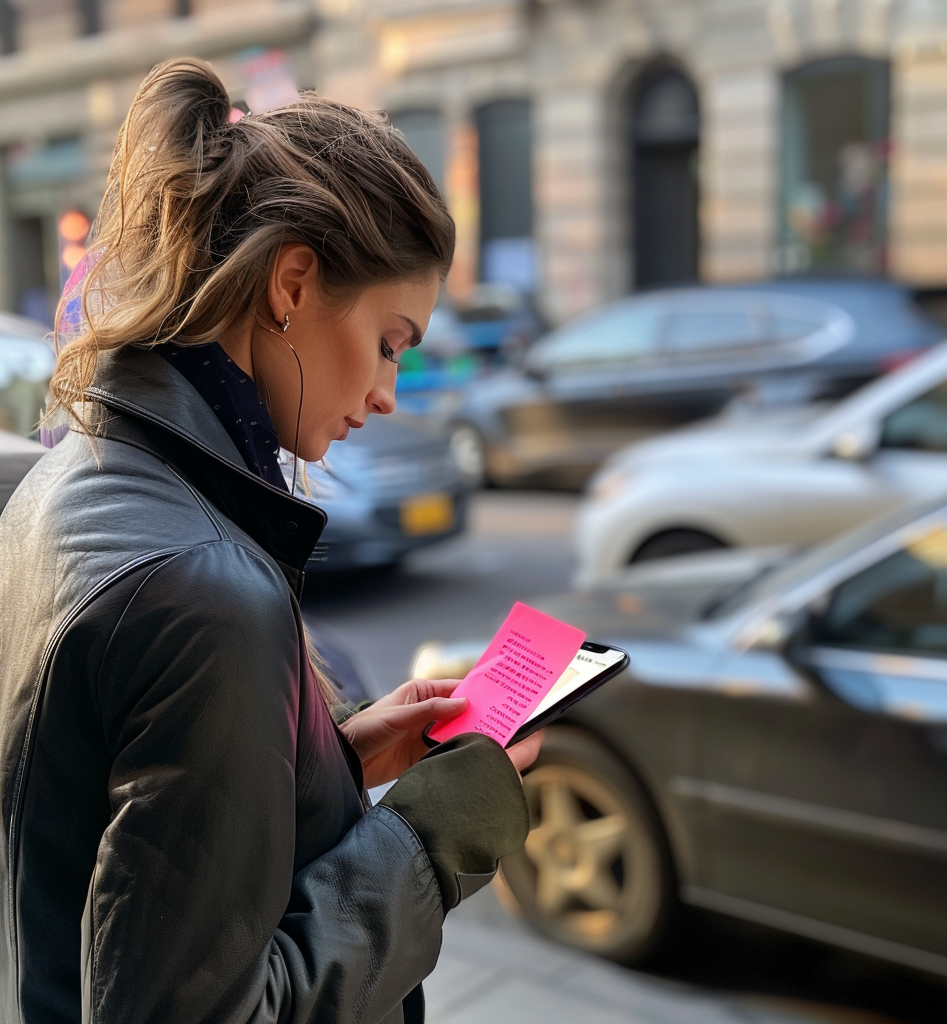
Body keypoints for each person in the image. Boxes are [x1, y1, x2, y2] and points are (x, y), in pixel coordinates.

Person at [0, 58, 542, 1024]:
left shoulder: (74, 474)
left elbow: (95, 809)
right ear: (293, 281)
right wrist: (427, 840)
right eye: (389, 340)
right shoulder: (204, 588)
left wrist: (325, 756)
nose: (386, 393)